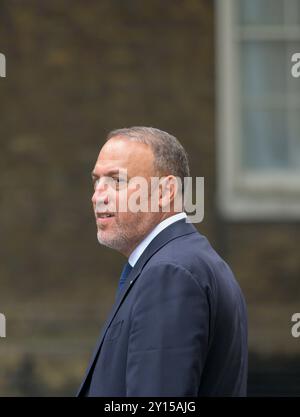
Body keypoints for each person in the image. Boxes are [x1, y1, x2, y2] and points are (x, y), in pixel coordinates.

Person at [77, 127, 248, 397]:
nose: (98, 195)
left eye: (117, 180)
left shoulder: (170, 273)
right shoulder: (181, 262)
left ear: (165, 191)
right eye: (96, 181)